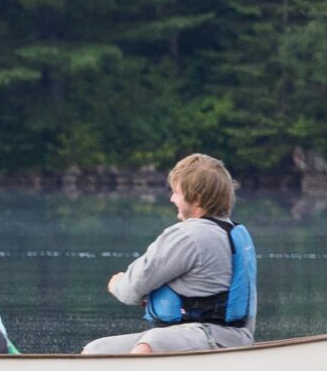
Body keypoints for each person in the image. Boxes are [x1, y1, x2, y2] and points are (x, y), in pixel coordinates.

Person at [81, 152, 257, 355]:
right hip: (234, 338)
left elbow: (131, 289)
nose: (172, 198)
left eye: (176, 192)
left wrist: (116, 284)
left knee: (153, 341)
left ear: (197, 199)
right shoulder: (233, 233)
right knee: (97, 350)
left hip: (213, 337)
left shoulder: (189, 235)